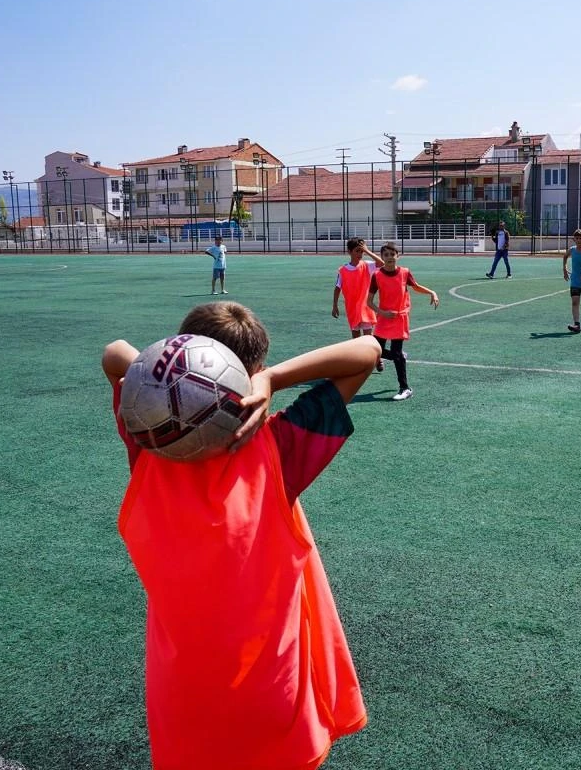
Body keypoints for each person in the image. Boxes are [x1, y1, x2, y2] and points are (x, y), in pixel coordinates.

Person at [102, 301, 378, 770]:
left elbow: (114, 353)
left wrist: (176, 376)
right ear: (250, 373)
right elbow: (367, 351)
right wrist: (271, 381)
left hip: (183, 697)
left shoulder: (148, 445)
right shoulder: (278, 447)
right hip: (272, 689)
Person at [366, 241, 439, 401]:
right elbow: (369, 302)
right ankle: (398, 356)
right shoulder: (376, 275)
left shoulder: (405, 273)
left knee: (396, 352)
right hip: (384, 318)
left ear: (397, 256)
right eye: (386, 255)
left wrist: (431, 292)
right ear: (382, 257)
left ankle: (405, 388)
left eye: (393, 254)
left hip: (400, 317)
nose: (390, 257)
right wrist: (382, 312)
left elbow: (416, 286)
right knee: (375, 350)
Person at [331, 238, 384, 372]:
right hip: (352, 309)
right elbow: (337, 288)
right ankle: (360, 362)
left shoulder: (367, 265)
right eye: (357, 251)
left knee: (369, 336)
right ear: (349, 252)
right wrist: (335, 305)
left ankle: (378, 359)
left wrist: (367, 250)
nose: (360, 254)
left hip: (366, 307)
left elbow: (381, 263)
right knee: (356, 339)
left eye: (361, 251)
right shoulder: (343, 270)